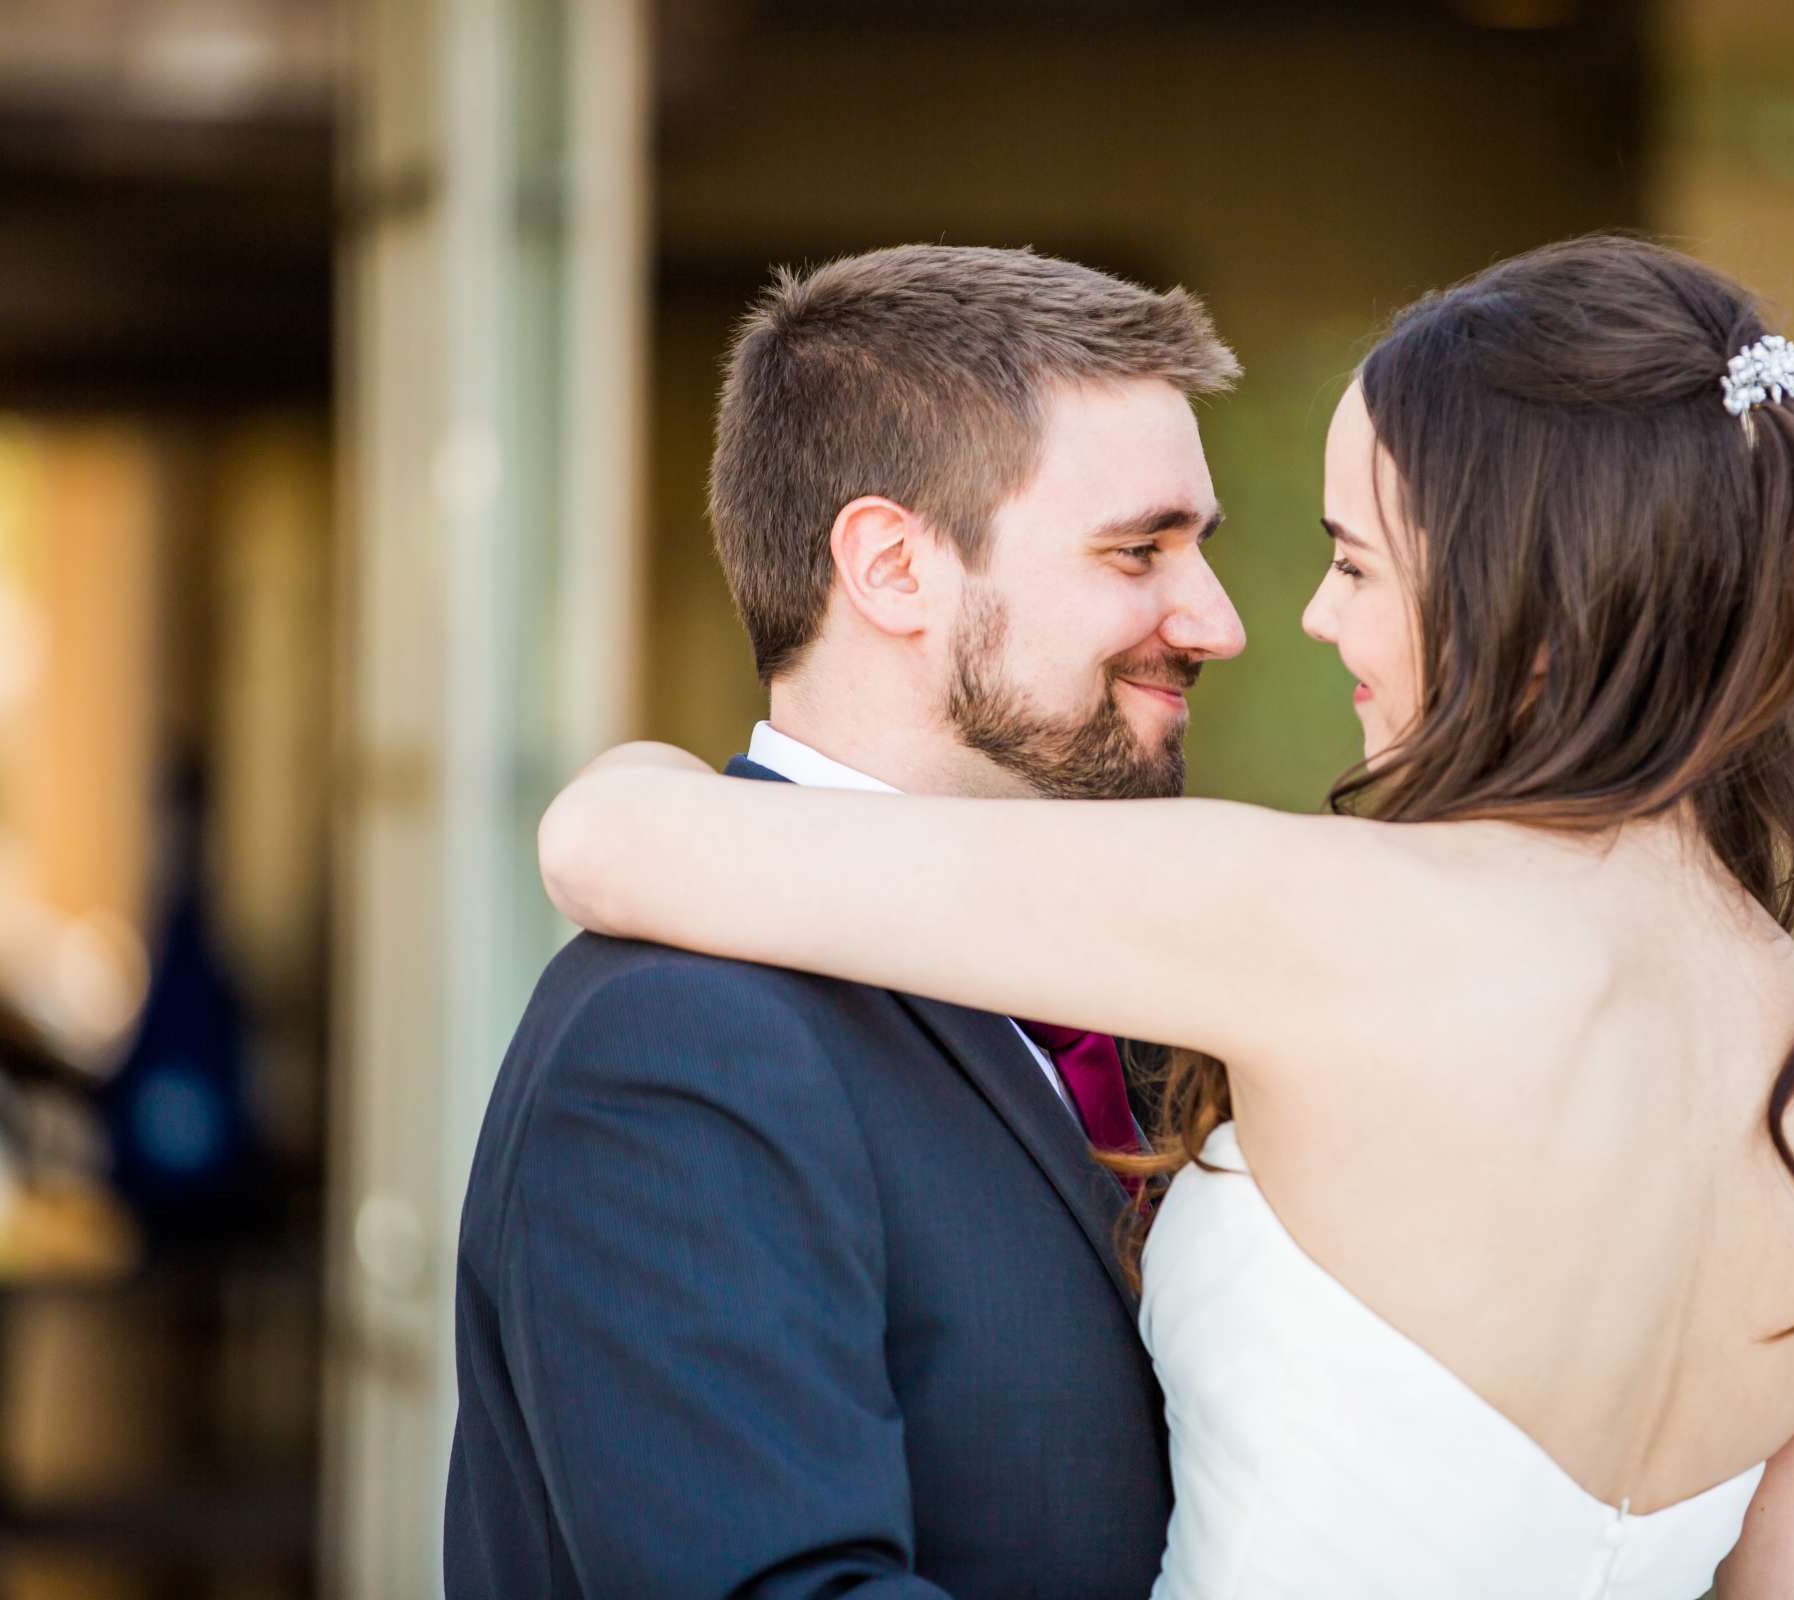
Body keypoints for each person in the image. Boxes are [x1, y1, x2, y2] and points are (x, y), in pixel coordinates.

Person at [536, 236, 1794, 1599]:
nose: (1295, 622)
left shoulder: (1314, 924)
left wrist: (641, 769)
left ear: (1527, 606)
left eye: (1357, 562)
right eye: (1142, 548)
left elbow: (606, 845)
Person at [444, 244, 1248, 1598]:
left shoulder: (1154, 970)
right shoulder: (675, 1044)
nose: (1214, 620)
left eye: (1196, 549)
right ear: (891, 568)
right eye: (1137, 551)